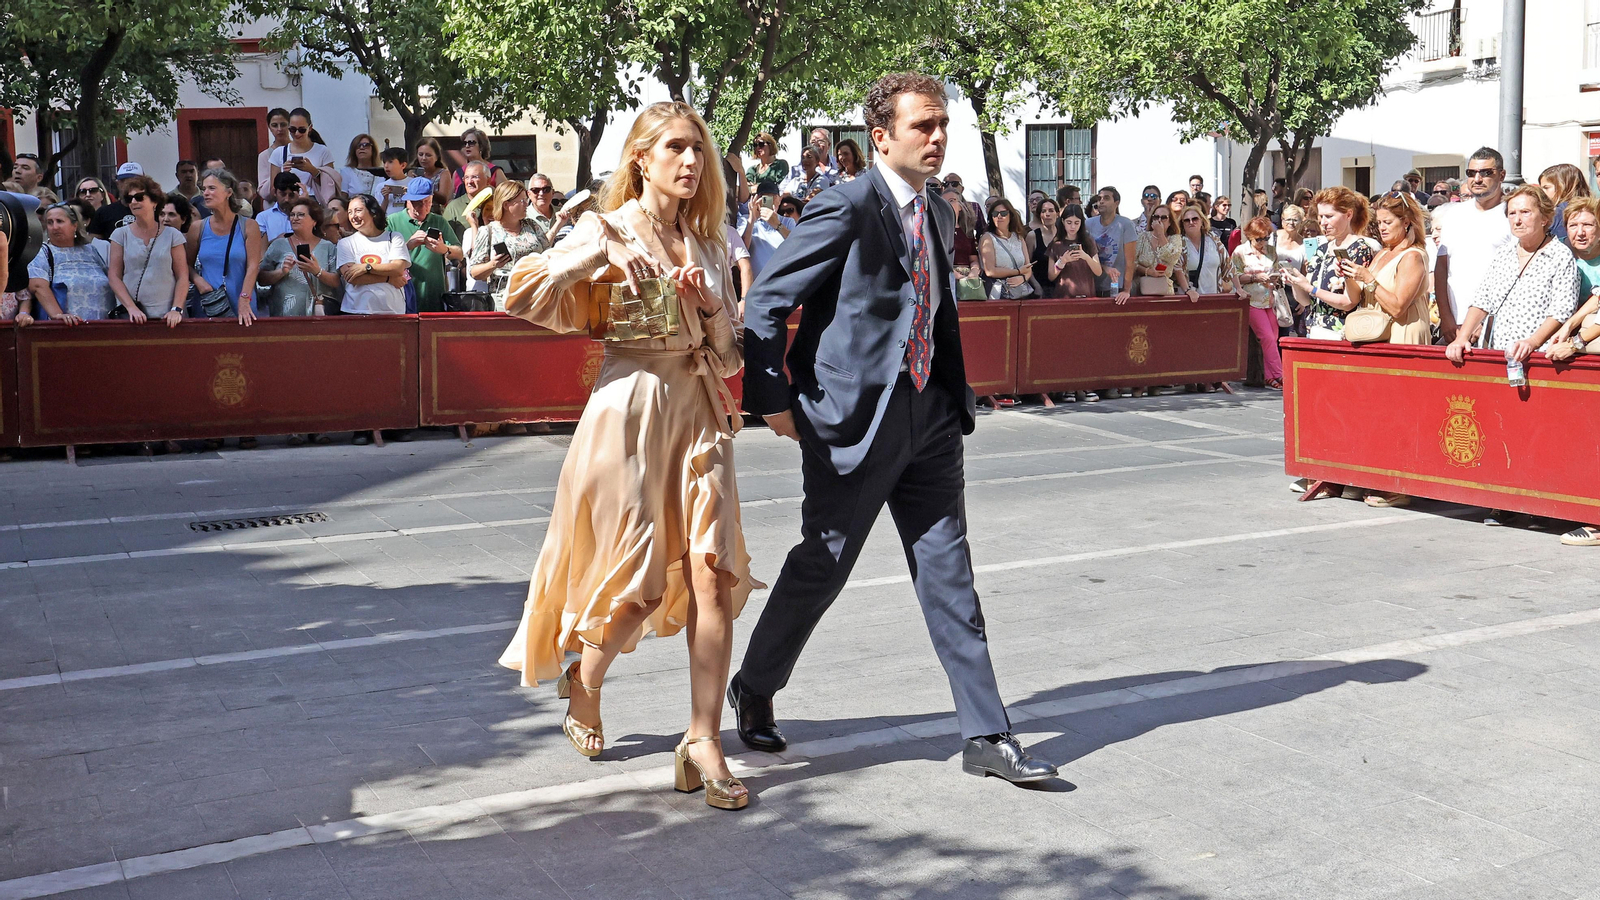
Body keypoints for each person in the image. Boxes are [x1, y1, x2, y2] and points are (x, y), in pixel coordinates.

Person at [734, 72, 1056, 785]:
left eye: (943, 125)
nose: (937, 137)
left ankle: (986, 733)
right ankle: (754, 685)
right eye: (923, 127)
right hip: (854, 424)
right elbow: (765, 303)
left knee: (950, 573)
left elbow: (933, 310)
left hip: (931, 417)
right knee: (825, 564)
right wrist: (773, 400)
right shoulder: (844, 206)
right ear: (881, 138)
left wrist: (951, 394)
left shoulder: (941, 212)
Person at [495, 100, 756, 810]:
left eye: (697, 149)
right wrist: (598, 253)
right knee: (638, 586)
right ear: (640, 156)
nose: (691, 161)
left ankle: (703, 738)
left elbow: (731, 357)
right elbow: (516, 292)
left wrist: (708, 307)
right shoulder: (604, 226)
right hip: (631, 413)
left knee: (713, 576)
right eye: (675, 147)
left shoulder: (710, 240)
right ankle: (586, 678)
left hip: (699, 413)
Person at [1447, 184, 1578, 366]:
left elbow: (1561, 311)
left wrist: (1533, 342)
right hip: (1498, 353)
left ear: (1545, 218)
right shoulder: (1504, 253)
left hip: (1538, 357)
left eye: (1525, 212)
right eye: (1512, 213)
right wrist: (1462, 337)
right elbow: (1482, 300)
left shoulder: (1560, 256)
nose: (1517, 220)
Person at [1433, 147, 1514, 344]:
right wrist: (1446, 317)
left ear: (1501, 175)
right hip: (1454, 323)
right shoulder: (1453, 214)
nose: (1477, 179)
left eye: (1486, 173)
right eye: (1471, 173)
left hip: (1497, 325)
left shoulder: (1512, 214)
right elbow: (1442, 268)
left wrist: (1483, 319)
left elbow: (1513, 275)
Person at [1282, 186, 1377, 340]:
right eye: (1321, 217)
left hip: (1343, 335)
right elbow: (1306, 301)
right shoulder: (1322, 249)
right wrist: (1296, 283)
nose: (1323, 223)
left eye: (1329, 216)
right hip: (1314, 331)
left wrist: (1311, 289)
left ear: (1348, 215)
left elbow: (1348, 302)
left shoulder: (1359, 249)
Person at [187, 169, 264, 325]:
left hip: (243, 303)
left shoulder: (249, 226)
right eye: (204, 189)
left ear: (228, 192)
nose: (206, 193)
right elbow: (185, 265)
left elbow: (253, 266)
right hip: (209, 303)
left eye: (212, 188)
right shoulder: (198, 228)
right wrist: (198, 281)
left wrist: (244, 299)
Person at [107, 176, 187, 327]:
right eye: (129, 199)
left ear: (155, 202)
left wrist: (176, 309)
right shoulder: (120, 234)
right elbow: (114, 276)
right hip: (132, 316)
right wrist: (131, 308)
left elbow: (182, 276)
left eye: (139, 197)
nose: (134, 202)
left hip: (168, 316)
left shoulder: (172, 235)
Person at [467, 180, 548, 309]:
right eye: (521, 201)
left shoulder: (533, 226)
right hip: (505, 299)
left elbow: (548, 253)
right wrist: (493, 264)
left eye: (525, 200)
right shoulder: (488, 231)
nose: (526, 204)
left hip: (536, 296)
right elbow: (474, 272)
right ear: (506, 204)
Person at [26, 203, 114, 322]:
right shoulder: (42, 252)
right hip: (66, 327)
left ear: (75, 225)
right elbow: (37, 286)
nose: (55, 227)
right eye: (50, 222)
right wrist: (58, 315)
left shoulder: (91, 250)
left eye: (59, 221)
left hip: (102, 325)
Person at [386, 176, 464, 312]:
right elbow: (382, 257)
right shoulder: (392, 221)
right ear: (407, 201)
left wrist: (444, 249)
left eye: (426, 202)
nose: (421, 208)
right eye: (416, 203)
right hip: (402, 295)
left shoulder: (439, 221)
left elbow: (459, 253)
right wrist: (408, 245)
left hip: (433, 296)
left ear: (432, 199)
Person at [259, 197, 340, 317]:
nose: (295, 218)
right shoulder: (279, 244)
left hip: (318, 313)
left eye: (301, 215)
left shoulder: (328, 247)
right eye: (292, 215)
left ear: (314, 221)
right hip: (284, 314)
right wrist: (281, 272)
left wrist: (317, 271)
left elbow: (336, 282)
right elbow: (261, 278)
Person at [336, 194, 409, 320]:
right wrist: (388, 278)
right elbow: (352, 277)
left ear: (373, 212)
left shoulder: (394, 237)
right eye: (350, 212)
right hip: (356, 310)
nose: (353, 216)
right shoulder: (345, 243)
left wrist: (366, 267)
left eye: (358, 210)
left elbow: (397, 269)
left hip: (392, 311)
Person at [1233, 216, 1283, 388]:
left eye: (1266, 237)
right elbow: (1234, 276)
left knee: (1273, 338)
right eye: (1259, 239)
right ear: (1249, 236)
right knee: (1267, 337)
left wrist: (1276, 278)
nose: (1263, 242)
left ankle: (1269, 376)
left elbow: (1276, 270)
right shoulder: (1240, 252)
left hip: (1269, 299)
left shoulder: (1271, 251)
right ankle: (1279, 374)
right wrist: (1255, 277)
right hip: (1251, 301)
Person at [266, 108, 339, 205]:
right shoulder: (278, 153)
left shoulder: (322, 151)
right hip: (290, 203)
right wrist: (284, 176)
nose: (296, 133)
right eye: (292, 129)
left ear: (310, 128)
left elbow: (330, 185)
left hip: (315, 203)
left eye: (302, 130)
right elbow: (273, 192)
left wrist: (313, 171)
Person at [1127, 203, 1197, 299]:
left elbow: (1172, 258)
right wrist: (1148, 271)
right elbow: (1133, 262)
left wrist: (1160, 234)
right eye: (1156, 217)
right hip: (1141, 288)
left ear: (1170, 222)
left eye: (1163, 218)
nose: (1159, 220)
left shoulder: (1175, 239)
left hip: (1164, 290)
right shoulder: (1142, 237)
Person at [979, 197, 1033, 299]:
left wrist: (1023, 278)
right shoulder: (988, 238)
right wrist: (1017, 272)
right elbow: (990, 271)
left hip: (1020, 292)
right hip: (998, 293)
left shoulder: (1019, 238)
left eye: (1003, 213)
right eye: (995, 214)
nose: (999, 216)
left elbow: (1028, 267)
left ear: (1011, 216)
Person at [1087, 186, 1136, 297]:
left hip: (1116, 287)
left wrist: (1126, 290)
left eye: (1106, 198)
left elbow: (1130, 261)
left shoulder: (1126, 225)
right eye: (1099, 199)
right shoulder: (1088, 224)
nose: (1101, 201)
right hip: (1091, 286)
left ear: (1116, 203)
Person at [1047, 203, 1101, 298]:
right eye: (1069, 222)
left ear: (1081, 223)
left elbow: (1098, 272)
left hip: (1087, 296)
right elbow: (1051, 276)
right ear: (1063, 222)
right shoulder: (1056, 244)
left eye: (1076, 223)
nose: (1072, 227)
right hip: (1063, 297)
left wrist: (1086, 257)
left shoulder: (1088, 241)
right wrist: (1062, 261)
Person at [1179, 203, 1233, 295]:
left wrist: (1239, 288)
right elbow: (1177, 269)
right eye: (1187, 220)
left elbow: (1228, 264)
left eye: (1195, 219)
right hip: (1189, 297)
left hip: (1213, 296)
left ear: (1202, 221)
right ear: (1182, 224)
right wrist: (1187, 291)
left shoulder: (1213, 239)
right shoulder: (1179, 243)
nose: (1191, 222)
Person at [742, 181, 793, 277]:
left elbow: (795, 245)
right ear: (756, 199)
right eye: (765, 198)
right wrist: (752, 219)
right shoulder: (746, 220)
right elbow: (742, 249)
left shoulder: (788, 222)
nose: (770, 202)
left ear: (779, 199)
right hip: (757, 281)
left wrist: (777, 224)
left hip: (781, 277)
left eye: (773, 197)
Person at [1274, 204, 1308, 335]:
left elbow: (1305, 273)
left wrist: (1303, 300)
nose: (1291, 223)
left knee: (1285, 333)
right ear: (1282, 220)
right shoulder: (1272, 237)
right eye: (1288, 219)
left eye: (1295, 219)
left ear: (1301, 221)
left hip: (1291, 292)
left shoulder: (1304, 244)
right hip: (1271, 289)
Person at [1538, 163, 1591, 244]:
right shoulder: (1591, 209)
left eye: (1546, 188)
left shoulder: (1557, 213)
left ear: (1562, 187)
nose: (1542, 192)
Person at [451, 128, 505, 197]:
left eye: (471, 143)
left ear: (481, 146)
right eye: (465, 143)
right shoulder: (457, 173)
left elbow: (505, 197)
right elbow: (449, 201)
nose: (467, 146)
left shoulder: (496, 171)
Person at [442, 160, 491, 234]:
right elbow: (446, 238)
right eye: (466, 178)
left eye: (475, 177)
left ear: (488, 180)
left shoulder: (497, 204)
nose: (469, 182)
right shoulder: (453, 207)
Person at [87, 168, 136, 239]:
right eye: (124, 181)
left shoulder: (152, 210)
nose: (128, 185)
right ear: (117, 183)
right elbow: (94, 242)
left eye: (134, 182)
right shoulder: (103, 212)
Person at [1027, 197, 1065, 287]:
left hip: (1062, 288)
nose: (1047, 214)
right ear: (1040, 215)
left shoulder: (1064, 235)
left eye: (1051, 210)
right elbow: (1027, 265)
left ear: (1057, 214)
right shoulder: (1032, 236)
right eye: (1043, 211)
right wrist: (1036, 286)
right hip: (1039, 288)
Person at [256, 108, 292, 199]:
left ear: (289, 125)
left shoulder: (299, 150)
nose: (279, 129)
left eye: (283, 125)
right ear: (269, 127)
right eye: (275, 125)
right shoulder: (264, 156)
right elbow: (263, 192)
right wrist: (278, 170)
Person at [256, 172, 301, 243]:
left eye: (291, 195)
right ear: (275, 192)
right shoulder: (263, 217)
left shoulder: (306, 215)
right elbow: (259, 247)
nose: (287, 199)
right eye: (283, 194)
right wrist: (277, 242)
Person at [944, 187, 979, 274]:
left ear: (960, 206)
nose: (948, 204)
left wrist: (974, 271)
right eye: (943, 201)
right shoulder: (937, 230)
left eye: (952, 200)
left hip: (968, 276)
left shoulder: (967, 230)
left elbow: (973, 258)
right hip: (947, 276)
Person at [340, 134, 381, 198]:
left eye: (366, 145)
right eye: (358, 146)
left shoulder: (381, 173)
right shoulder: (346, 172)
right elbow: (342, 199)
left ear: (373, 150)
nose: (361, 148)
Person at [375, 148, 412, 216]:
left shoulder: (413, 183)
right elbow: (379, 214)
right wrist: (385, 199)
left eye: (390, 162)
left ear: (403, 165)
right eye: (384, 162)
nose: (386, 166)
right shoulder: (381, 186)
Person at [525, 173, 561, 243]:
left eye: (546, 189)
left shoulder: (564, 213)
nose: (541, 193)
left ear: (553, 193)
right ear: (529, 194)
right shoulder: (523, 217)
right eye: (535, 190)